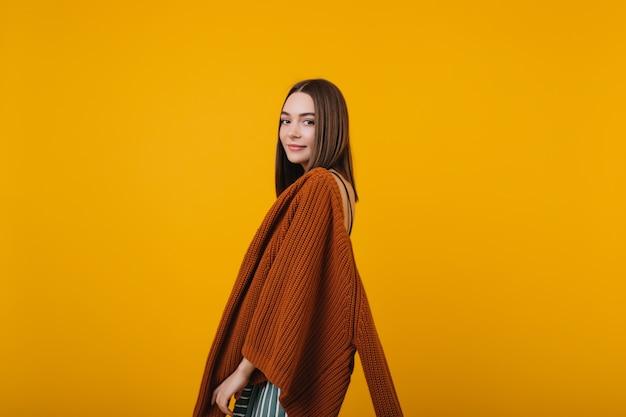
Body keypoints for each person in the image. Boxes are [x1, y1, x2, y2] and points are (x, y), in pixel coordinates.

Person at [193, 79, 403, 417]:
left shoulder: (320, 185)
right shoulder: (341, 188)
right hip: (287, 359)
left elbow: (285, 289)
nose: (292, 132)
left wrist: (242, 372)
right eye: (285, 120)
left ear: (332, 127)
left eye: (308, 122)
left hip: (277, 370)